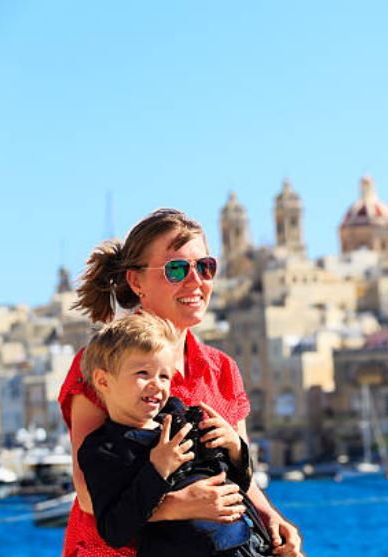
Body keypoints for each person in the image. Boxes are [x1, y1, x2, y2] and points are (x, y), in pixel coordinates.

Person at [58, 208, 303, 557]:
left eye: (205, 267)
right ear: (136, 281)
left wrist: (272, 519)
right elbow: (88, 494)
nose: (195, 281)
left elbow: (239, 475)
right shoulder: (103, 362)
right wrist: (177, 505)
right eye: (176, 269)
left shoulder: (221, 370)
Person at [77, 312, 268, 556]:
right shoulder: (103, 449)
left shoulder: (179, 421)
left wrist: (234, 447)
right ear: (103, 381)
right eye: (143, 373)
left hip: (247, 546)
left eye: (164, 376)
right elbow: (114, 529)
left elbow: (236, 482)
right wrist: (157, 470)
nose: (157, 384)